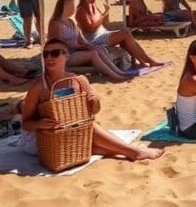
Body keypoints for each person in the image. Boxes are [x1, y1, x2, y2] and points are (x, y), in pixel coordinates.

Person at [20, 39, 164, 161]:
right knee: (89, 131)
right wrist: (39, 123)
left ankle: (130, 151)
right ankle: (133, 151)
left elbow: (94, 111)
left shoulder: (78, 80)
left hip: (69, 131)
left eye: (55, 53)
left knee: (87, 130)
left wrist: (94, 101)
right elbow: (26, 124)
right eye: (45, 54)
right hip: (42, 136)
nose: (49, 58)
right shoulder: (39, 86)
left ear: (66, 56)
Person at [76, 0, 164, 67]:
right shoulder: (81, 11)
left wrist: (107, 12)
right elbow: (90, 29)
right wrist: (103, 15)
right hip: (94, 40)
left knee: (125, 36)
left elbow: (105, 24)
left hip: (102, 34)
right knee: (125, 33)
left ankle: (140, 60)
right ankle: (147, 60)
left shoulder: (93, 6)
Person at [48, 0, 129, 82]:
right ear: (65, 6)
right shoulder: (56, 24)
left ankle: (117, 71)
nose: (74, 7)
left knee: (100, 49)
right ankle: (114, 75)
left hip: (76, 50)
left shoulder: (71, 21)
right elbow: (59, 45)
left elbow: (80, 38)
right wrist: (79, 47)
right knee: (93, 54)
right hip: (65, 55)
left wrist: (87, 45)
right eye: (71, 5)